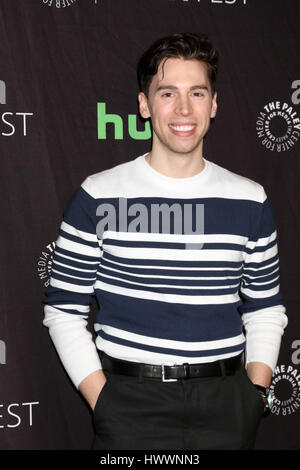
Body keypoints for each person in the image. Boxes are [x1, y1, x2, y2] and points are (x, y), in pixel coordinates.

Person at [43, 32, 288, 450]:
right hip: (128, 403)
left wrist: (255, 394)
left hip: (227, 403)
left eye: (197, 92)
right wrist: (103, 400)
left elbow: (265, 308)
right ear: (144, 105)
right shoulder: (98, 195)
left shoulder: (250, 199)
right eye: (167, 93)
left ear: (213, 104)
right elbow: (64, 311)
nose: (183, 109)